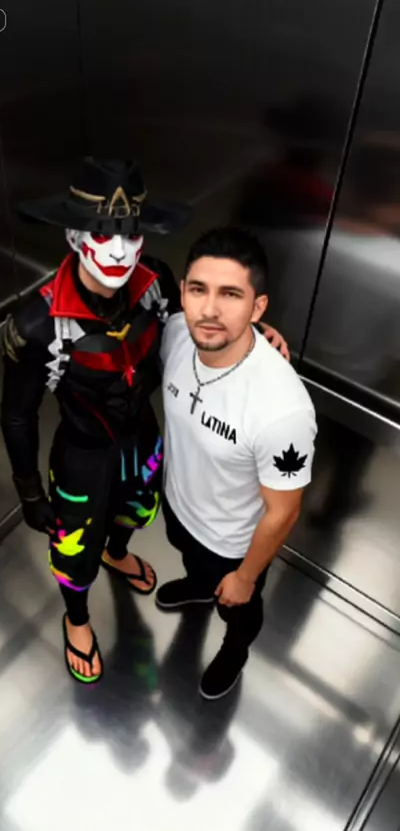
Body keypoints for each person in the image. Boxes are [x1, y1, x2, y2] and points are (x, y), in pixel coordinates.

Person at [0, 158, 287, 685]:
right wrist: (29, 491)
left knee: (137, 511)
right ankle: (77, 619)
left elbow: (199, 327)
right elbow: (17, 415)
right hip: (83, 453)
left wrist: (254, 334)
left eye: (129, 234)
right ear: (73, 236)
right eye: (100, 234)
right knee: (72, 548)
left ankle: (117, 553)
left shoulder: (154, 282)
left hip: (143, 437)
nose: (118, 251)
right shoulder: (38, 322)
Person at [156, 226, 317, 700]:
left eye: (230, 294)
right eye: (198, 289)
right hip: (178, 506)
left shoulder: (282, 410)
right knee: (192, 562)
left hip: (231, 543)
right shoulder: (175, 335)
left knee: (238, 606)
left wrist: (245, 576)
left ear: (257, 307)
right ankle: (197, 585)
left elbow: (283, 511)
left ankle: (235, 648)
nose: (209, 309)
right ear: (182, 292)